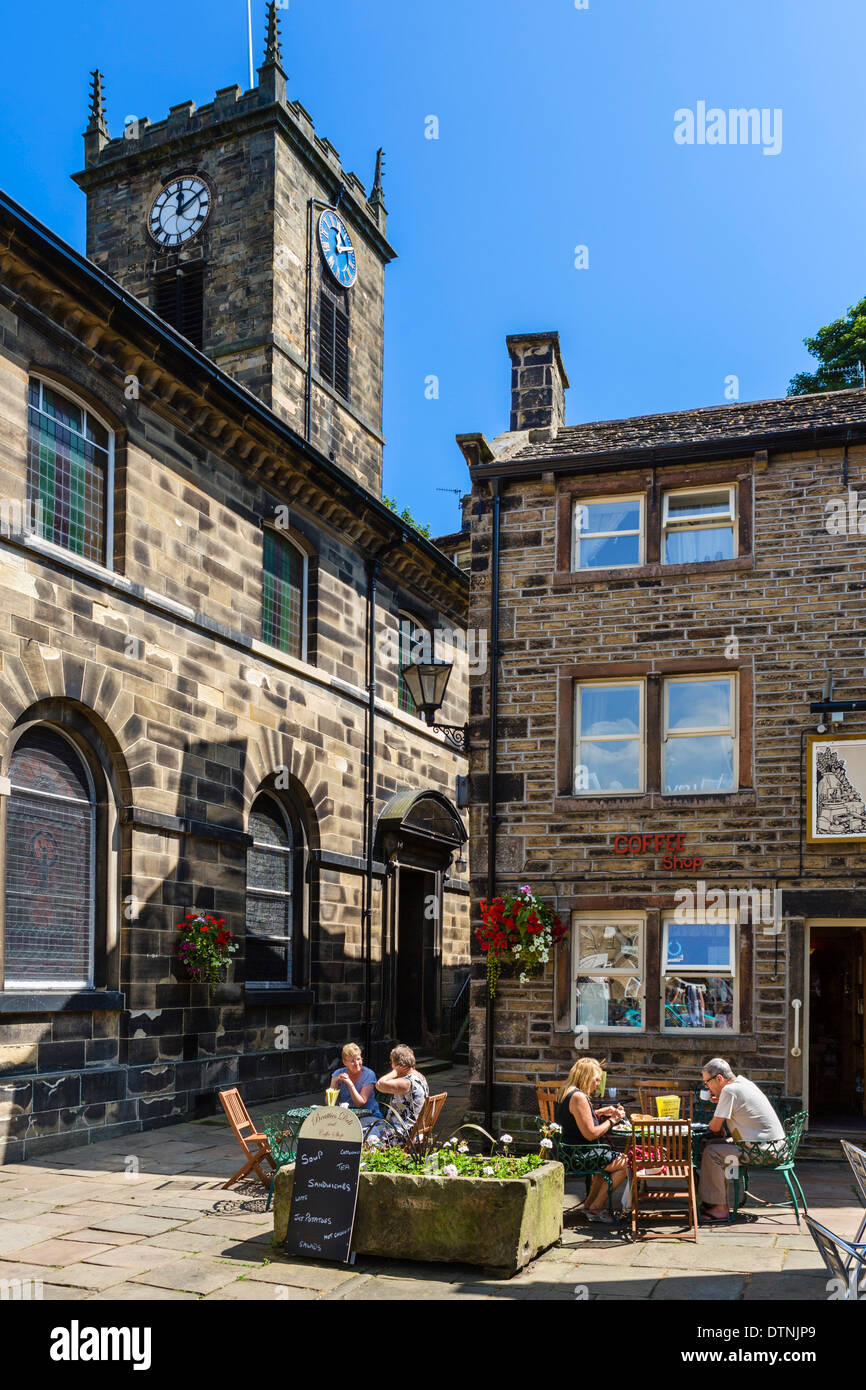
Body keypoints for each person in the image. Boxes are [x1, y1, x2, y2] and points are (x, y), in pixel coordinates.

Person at [698, 1058, 785, 1222]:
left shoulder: (729, 1091)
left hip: (761, 1151)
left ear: (719, 1079)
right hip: (775, 1147)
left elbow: (715, 1127)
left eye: (707, 1082)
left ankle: (719, 1208)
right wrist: (721, 1101)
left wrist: (721, 1102)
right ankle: (712, 1200)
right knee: (715, 1146)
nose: (706, 1087)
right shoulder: (743, 1083)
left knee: (711, 1152)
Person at [556, 1057, 628, 1222]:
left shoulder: (565, 1091)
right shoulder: (579, 1097)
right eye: (596, 1080)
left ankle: (589, 1205)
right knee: (625, 1162)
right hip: (578, 1154)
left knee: (608, 1159)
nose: (597, 1084)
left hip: (568, 1150)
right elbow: (591, 1134)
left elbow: (575, 1120)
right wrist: (613, 1120)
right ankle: (597, 1207)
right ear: (586, 1077)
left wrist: (600, 1112)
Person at [376, 1044, 429, 1137]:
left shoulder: (407, 1082)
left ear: (399, 1065)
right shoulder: (420, 1077)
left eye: (392, 1063)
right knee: (372, 1127)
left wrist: (395, 1072)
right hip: (415, 1129)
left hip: (404, 1132)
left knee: (365, 1134)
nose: (391, 1066)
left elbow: (379, 1085)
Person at [331, 1043, 382, 1122]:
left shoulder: (369, 1074)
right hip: (346, 1117)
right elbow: (329, 1103)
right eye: (352, 1061)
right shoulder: (338, 1073)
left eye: (358, 1059)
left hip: (369, 1116)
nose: (357, 1063)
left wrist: (350, 1084)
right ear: (344, 1062)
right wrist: (334, 1082)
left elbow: (360, 1103)